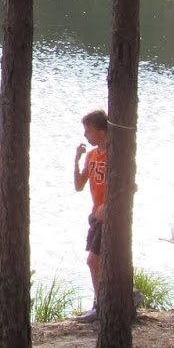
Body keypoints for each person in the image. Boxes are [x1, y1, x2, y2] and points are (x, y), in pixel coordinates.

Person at [73, 108, 109, 323]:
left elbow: (125, 186)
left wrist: (108, 205)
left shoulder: (115, 154)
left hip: (110, 217)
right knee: (98, 261)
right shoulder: (92, 155)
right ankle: (103, 302)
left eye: (89, 130)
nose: (85, 135)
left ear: (101, 132)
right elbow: (79, 186)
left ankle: (101, 304)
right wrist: (76, 160)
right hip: (96, 217)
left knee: (93, 261)